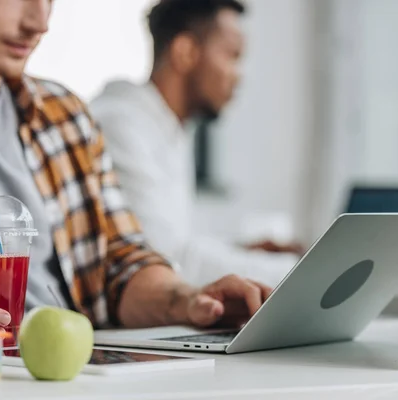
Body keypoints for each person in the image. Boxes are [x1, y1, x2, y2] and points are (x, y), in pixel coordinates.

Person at [0, 0, 271, 332]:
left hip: (76, 375)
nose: (39, 21)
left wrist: (189, 299)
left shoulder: (66, 115)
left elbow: (121, 265)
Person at [89, 0, 302, 288]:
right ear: (185, 52)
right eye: (232, 55)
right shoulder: (120, 125)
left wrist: (243, 250)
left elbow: (178, 241)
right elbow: (164, 260)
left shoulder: (168, 127)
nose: (239, 76)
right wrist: (302, 270)